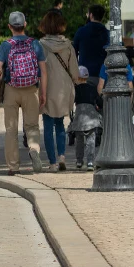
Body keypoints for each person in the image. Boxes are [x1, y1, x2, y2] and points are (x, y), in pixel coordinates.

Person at [0, 10, 48, 175]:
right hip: (31, 89)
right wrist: (43, 93)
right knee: (32, 126)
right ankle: (34, 148)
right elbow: (44, 72)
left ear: (9, 27)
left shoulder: (6, 45)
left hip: (12, 89)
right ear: (25, 25)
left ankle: (13, 166)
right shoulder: (35, 44)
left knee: (11, 129)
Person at [39, 10, 79, 172]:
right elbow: (75, 72)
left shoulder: (41, 45)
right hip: (64, 88)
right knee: (60, 124)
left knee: (48, 126)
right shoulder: (68, 45)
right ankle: (62, 156)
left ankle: (52, 162)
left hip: (46, 87)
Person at [71, 65, 103, 169]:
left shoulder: (76, 89)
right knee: (91, 140)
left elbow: (72, 101)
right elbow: (99, 102)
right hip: (91, 118)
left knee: (79, 140)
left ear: (77, 77)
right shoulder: (92, 88)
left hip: (80, 117)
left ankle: (79, 161)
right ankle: (90, 162)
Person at [74, 4, 110, 80]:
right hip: (102, 74)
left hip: (83, 73)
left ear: (91, 15)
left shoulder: (81, 31)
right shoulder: (107, 33)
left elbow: (74, 52)